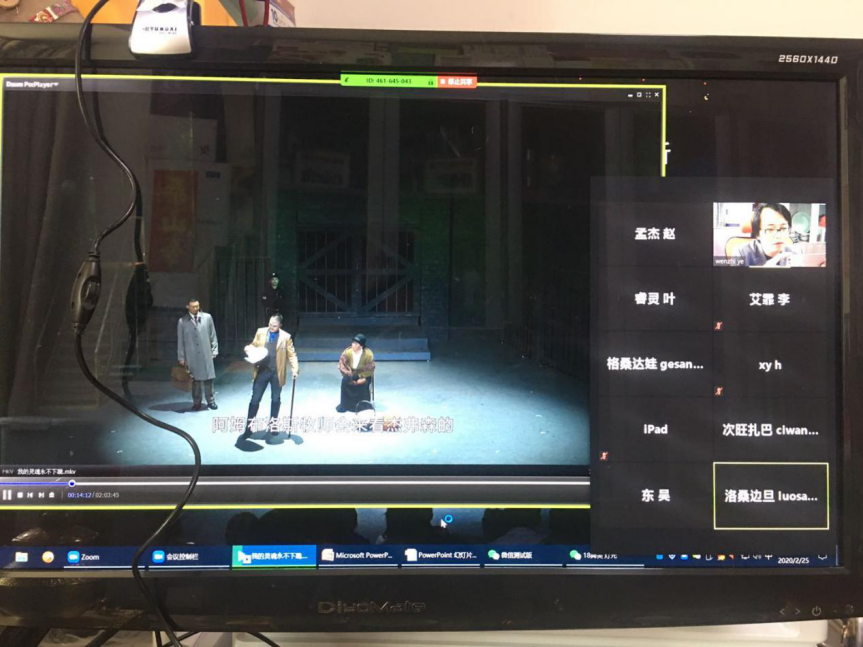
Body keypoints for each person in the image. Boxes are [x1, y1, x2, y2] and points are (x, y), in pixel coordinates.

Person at [241, 314, 299, 441]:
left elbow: (292, 355)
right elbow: (253, 345)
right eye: (270, 324)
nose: (271, 327)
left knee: (276, 399)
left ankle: (273, 426)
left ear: (280, 326)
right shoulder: (261, 332)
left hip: (276, 373)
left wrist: (295, 369)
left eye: (275, 326)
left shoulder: (286, 337)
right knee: (255, 399)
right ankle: (248, 428)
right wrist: (249, 349)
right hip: (262, 371)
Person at [177, 299, 218, 411]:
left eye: (197, 306)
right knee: (195, 380)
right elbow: (180, 340)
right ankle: (197, 402)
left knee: (208, 378)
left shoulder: (207, 318)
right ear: (188, 307)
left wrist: (214, 350)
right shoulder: (182, 321)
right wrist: (181, 357)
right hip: (191, 354)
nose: (196, 308)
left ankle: (211, 401)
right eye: (193, 306)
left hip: (206, 352)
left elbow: (213, 334)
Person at [732, 203, 797, 267]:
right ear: (757, 234)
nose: (778, 235)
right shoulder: (740, 253)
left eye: (784, 228)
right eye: (770, 229)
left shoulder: (795, 253)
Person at [336, 334, 375, 413]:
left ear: (361, 346)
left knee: (364, 384)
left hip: (363, 373)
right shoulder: (347, 352)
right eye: (353, 342)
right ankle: (345, 405)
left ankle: (362, 406)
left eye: (356, 343)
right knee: (345, 381)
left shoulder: (368, 354)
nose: (353, 345)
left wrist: (362, 378)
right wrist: (349, 375)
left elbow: (371, 367)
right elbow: (342, 365)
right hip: (351, 373)